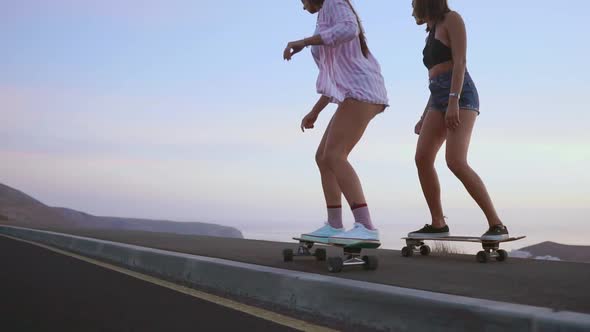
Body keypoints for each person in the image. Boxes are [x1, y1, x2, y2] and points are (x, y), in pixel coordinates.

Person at [283, 0, 388, 246]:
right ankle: (334, 224)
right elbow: (336, 78)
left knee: (335, 155)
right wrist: (315, 111)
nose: (302, 6)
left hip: (362, 90)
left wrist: (305, 41)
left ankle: (366, 227)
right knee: (323, 157)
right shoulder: (323, 17)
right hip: (352, 93)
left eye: (302, 0)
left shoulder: (334, 2)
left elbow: (349, 28)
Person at [408, 0, 508, 240]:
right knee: (422, 158)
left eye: (413, 2)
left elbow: (460, 62)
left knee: (455, 161)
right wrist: (424, 116)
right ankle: (438, 223)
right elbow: (434, 79)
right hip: (437, 97)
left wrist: (453, 101)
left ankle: (497, 224)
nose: (411, 7)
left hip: (461, 94)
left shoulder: (452, 19)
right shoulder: (430, 33)